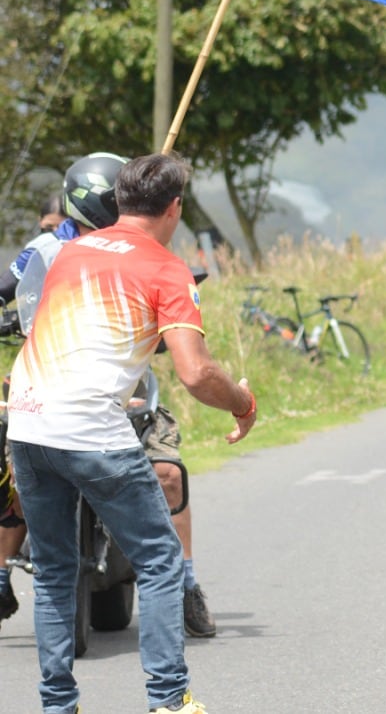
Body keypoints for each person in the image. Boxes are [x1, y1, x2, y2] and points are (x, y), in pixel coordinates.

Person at [6, 151, 256, 714]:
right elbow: (196, 373)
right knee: (161, 560)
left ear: (118, 200)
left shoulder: (69, 252)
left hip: (28, 421)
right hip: (91, 430)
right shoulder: (168, 268)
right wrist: (243, 404)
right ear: (175, 208)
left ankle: (57, 705)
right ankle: (168, 700)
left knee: (53, 571)